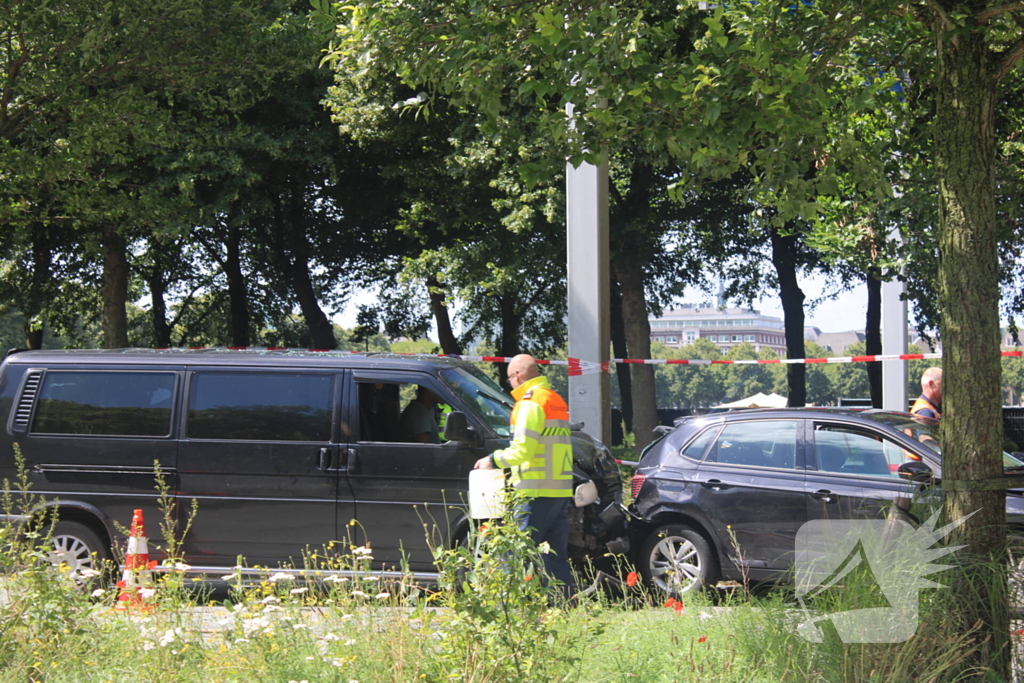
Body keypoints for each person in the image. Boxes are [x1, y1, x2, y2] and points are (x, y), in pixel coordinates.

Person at [474, 354, 575, 598]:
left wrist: (492, 460)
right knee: (553, 557)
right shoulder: (554, 399)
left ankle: (506, 607)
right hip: (559, 488)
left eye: (509, 378)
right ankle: (563, 607)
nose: (510, 384)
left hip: (535, 489)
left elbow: (523, 450)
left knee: (514, 552)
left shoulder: (529, 404)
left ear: (517, 375)